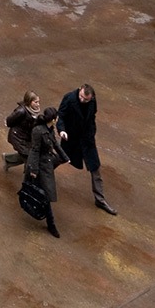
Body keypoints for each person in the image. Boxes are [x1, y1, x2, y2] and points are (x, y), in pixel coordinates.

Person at [58, 82, 118, 215]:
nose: (82, 100)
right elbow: (60, 115)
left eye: (86, 99)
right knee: (58, 159)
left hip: (86, 139)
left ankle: (100, 199)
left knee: (95, 168)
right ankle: (35, 173)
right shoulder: (69, 98)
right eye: (81, 97)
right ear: (80, 90)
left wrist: (92, 132)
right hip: (71, 138)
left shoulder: (92, 102)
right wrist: (61, 130)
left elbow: (92, 117)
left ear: (91, 97)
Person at [22, 106, 67, 238]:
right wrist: (34, 170)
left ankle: (47, 219)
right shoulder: (38, 131)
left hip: (46, 164)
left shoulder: (50, 129)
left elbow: (55, 144)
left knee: (42, 193)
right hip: (38, 167)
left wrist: (65, 157)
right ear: (53, 120)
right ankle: (50, 223)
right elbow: (35, 150)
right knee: (43, 194)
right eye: (57, 118)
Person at [3, 91, 50, 168]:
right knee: (30, 157)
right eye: (36, 102)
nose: (38, 104)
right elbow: (9, 121)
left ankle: (8, 159)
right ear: (30, 102)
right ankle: (29, 177)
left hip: (26, 137)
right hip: (18, 138)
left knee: (31, 154)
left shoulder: (34, 111)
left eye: (38, 102)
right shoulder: (21, 111)